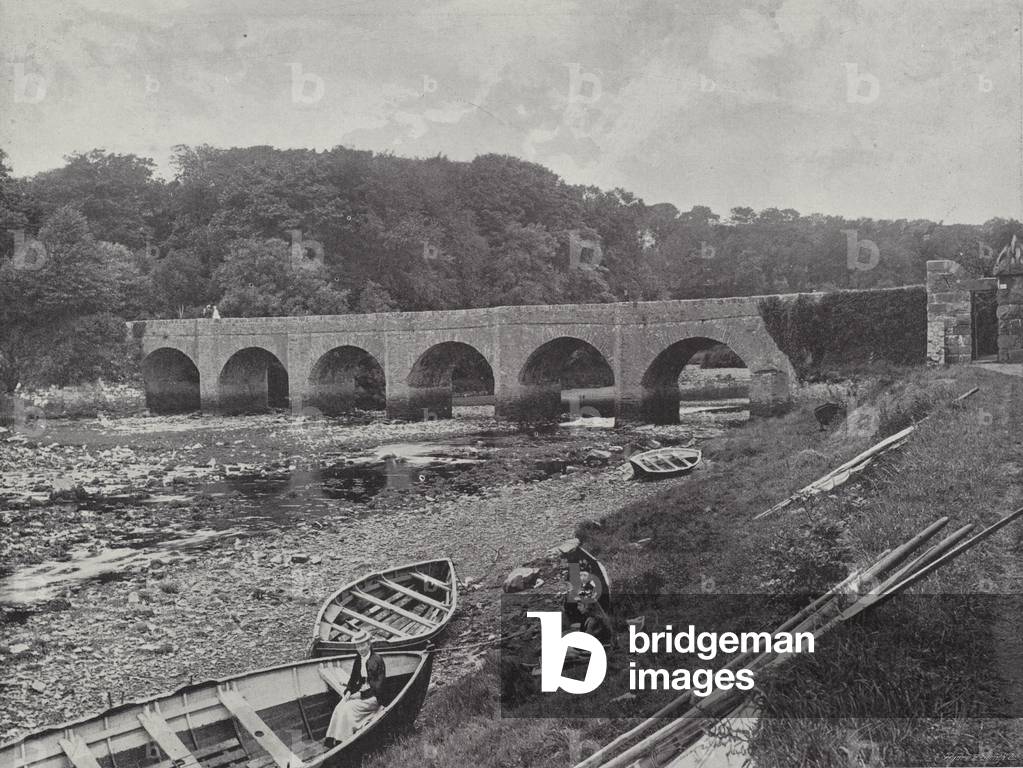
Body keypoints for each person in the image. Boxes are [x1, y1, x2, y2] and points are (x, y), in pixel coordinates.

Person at [324, 630, 387, 747]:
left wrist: (360, 695)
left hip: (374, 697)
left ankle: (343, 742)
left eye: (363, 645)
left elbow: (378, 688)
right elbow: (353, 679)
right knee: (339, 707)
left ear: (369, 644)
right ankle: (332, 740)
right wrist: (348, 691)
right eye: (358, 646)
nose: (360, 649)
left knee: (348, 709)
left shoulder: (377, 660)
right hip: (361, 692)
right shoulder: (358, 659)